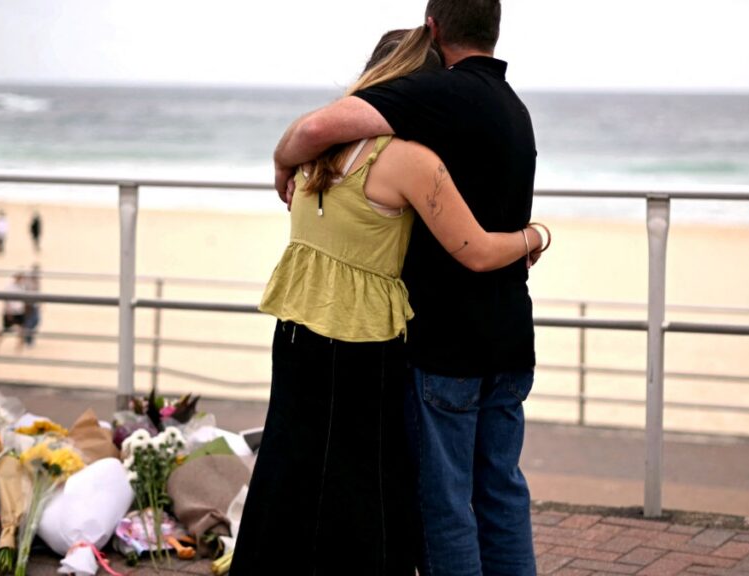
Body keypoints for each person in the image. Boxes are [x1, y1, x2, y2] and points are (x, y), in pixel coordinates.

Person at [230, 26, 546, 576]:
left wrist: (281, 158)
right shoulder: (408, 160)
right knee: (373, 486)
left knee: (290, 470)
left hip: (297, 329)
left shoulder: (312, 151)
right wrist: (535, 237)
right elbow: (472, 248)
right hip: (364, 339)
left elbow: (310, 137)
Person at [0, 272, 26, 354]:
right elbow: (6, 300)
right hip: (10, 312)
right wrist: (8, 312)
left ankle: (18, 349)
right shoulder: (9, 287)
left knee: (21, 330)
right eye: (20, 277)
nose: (21, 279)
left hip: (19, 311)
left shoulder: (22, 286)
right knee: (4, 330)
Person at [22, 264, 42, 346]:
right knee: (30, 322)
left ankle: (29, 338)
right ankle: (28, 339)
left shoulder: (37, 280)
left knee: (36, 321)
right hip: (28, 304)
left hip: (35, 304)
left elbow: (38, 292)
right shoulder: (28, 280)